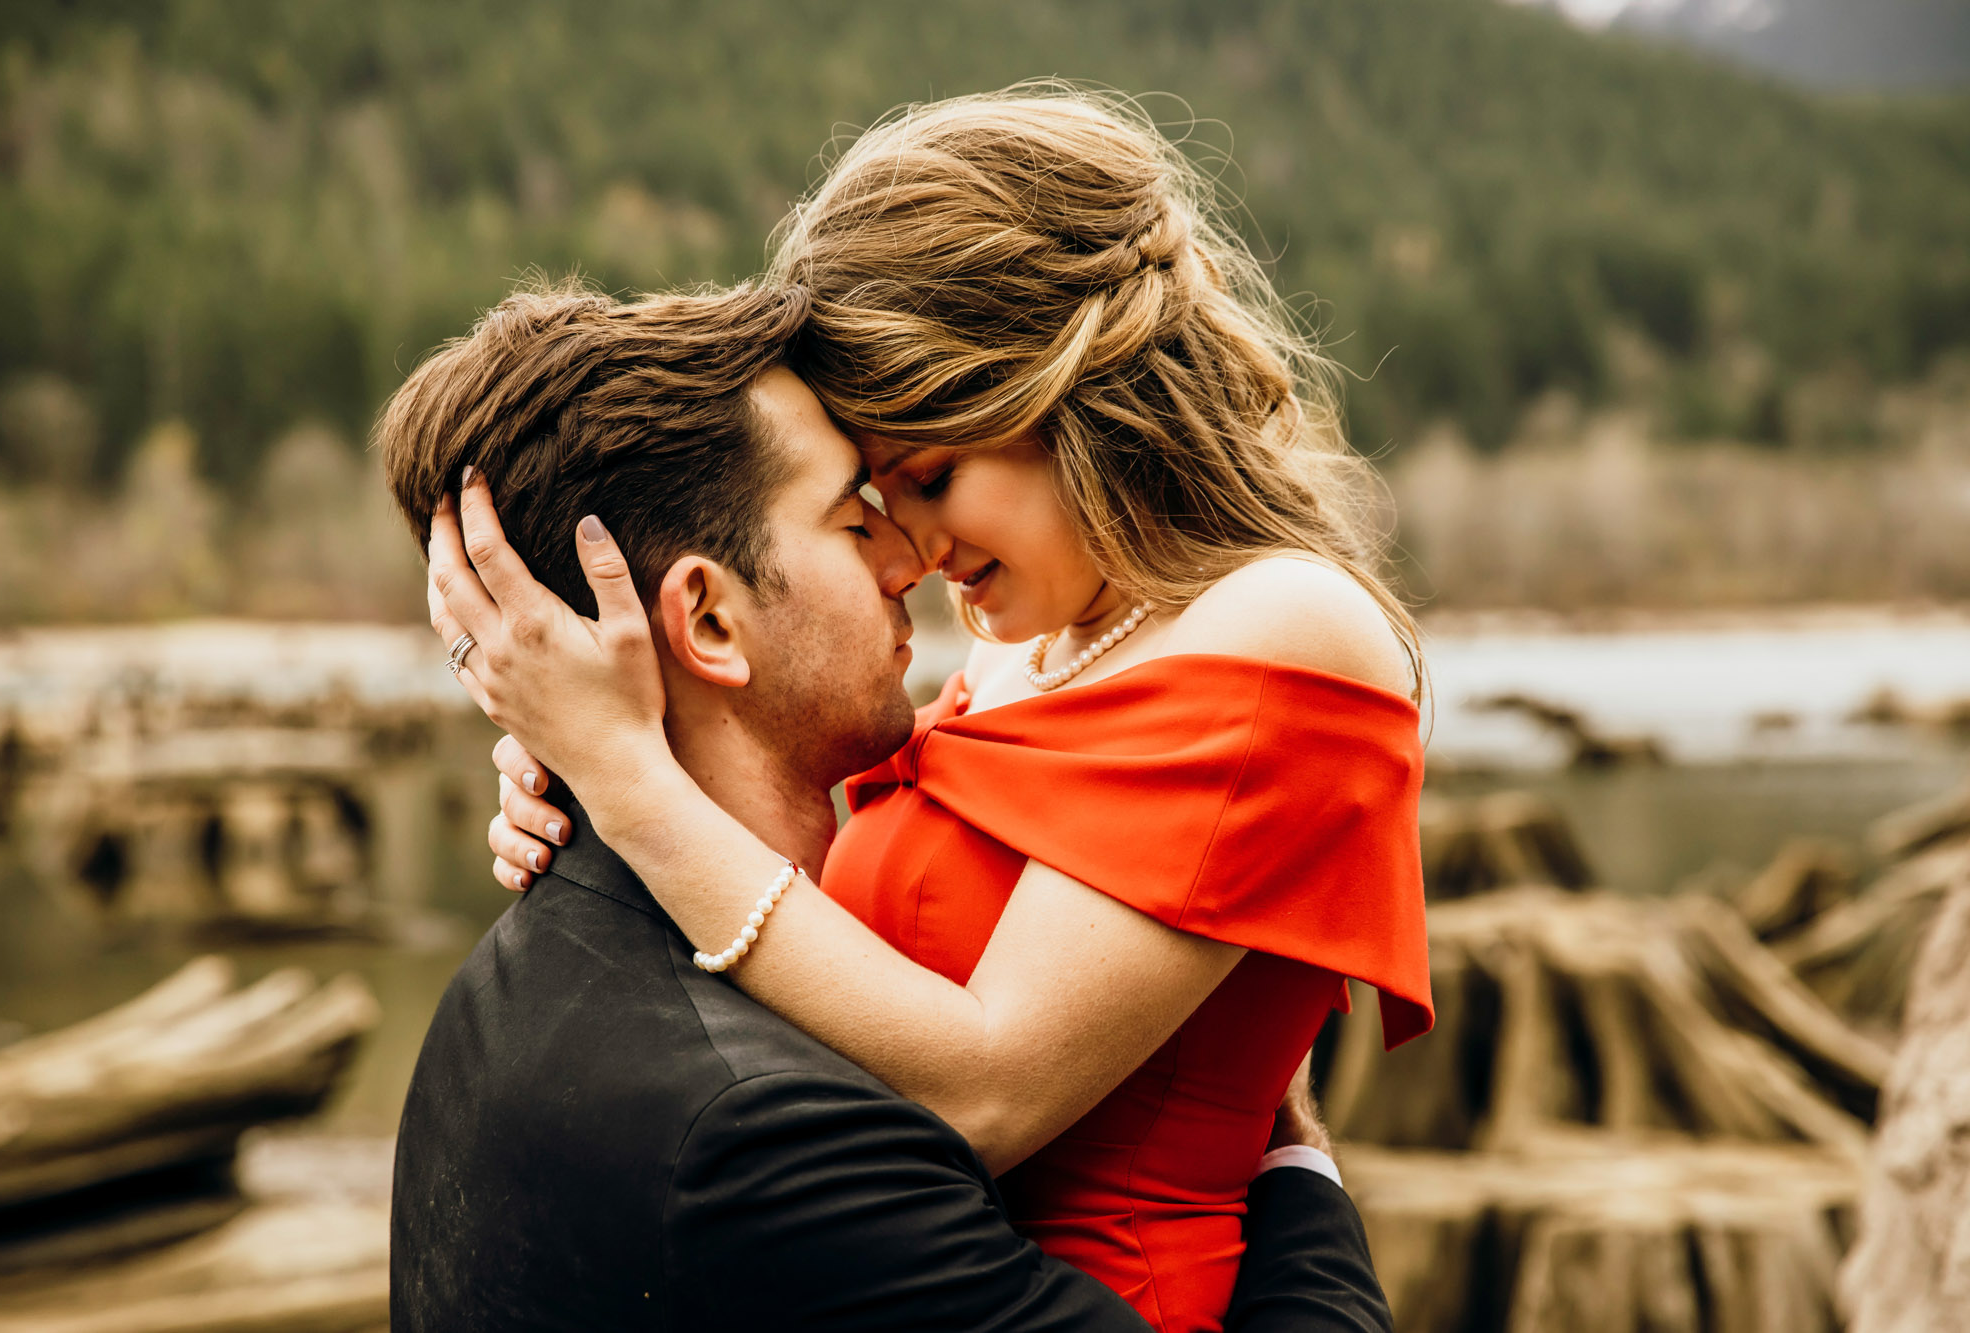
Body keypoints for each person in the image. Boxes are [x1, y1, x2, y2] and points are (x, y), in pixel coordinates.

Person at [448, 87, 1431, 1333]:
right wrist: (591, 786)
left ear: (1075, 395)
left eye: (930, 477)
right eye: (870, 488)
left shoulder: (1286, 623)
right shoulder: (1037, 638)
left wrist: (635, 787)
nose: (904, 546)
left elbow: (986, 1091)